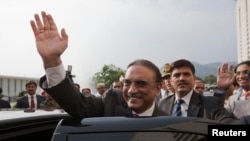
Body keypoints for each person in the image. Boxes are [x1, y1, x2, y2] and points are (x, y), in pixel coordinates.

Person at [30, 11, 166, 118]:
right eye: (127, 83)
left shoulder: (171, 125)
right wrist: (52, 60)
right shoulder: (111, 101)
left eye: (141, 84)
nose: (131, 90)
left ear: (158, 88)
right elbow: (76, 104)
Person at [158, 59, 237, 123]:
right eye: (177, 75)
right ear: (171, 80)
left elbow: (227, 121)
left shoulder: (210, 104)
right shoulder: (162, 104)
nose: (182, 78)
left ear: (194, 78)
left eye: (186, 74)